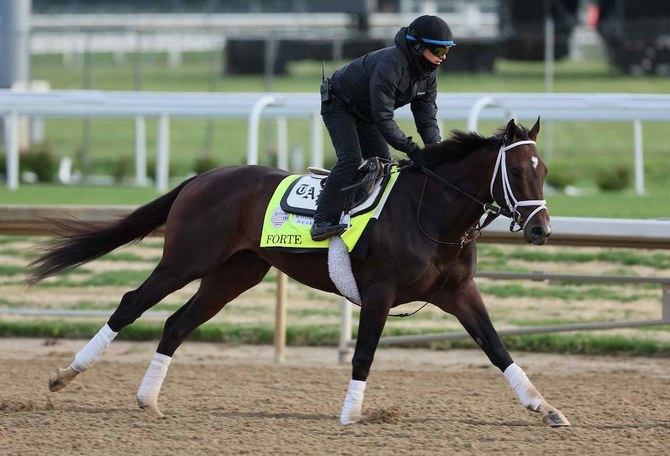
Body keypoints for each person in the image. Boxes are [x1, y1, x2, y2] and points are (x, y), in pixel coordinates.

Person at [311, 15, 455, 241]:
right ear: (418, 47)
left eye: (447, 51)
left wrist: (435, 149)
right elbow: (384, 118)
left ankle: (360, 215)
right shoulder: (391, 64)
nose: (443, 57)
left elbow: (426, 118)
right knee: (351, 157)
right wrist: (414, 151)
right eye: (438, 51)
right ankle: (322, 219)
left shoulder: (428, 74)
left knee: (384, 166)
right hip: (339, 103)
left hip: (366, 111)